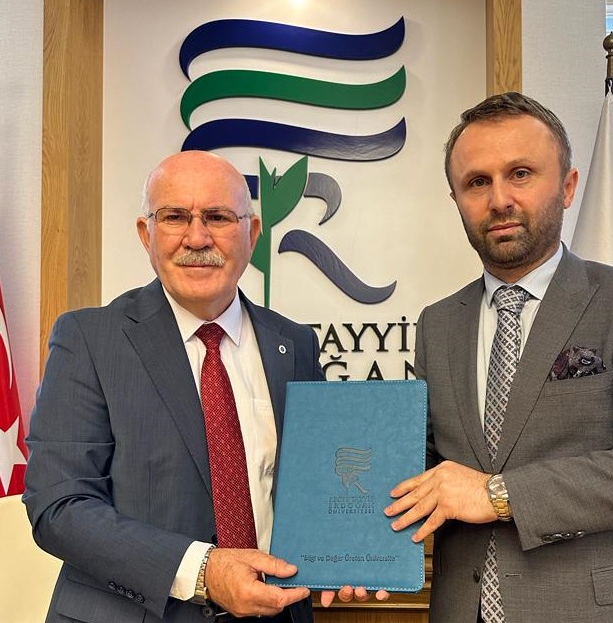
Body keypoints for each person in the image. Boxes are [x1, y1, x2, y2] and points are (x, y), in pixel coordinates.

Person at [385, 92, 613, 622]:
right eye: (477, 182)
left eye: (520, 174)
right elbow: (422, 467)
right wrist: (353, 547)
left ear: (567, 186)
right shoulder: (438, 324)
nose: (499, 199)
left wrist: (498, 494)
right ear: (456, 199)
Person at [24, 150, 379, 623]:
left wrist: (350, 550)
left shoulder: (294, 344)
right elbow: (59, 506)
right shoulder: (89, 339)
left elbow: (317, 483)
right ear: (146, 233)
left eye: (218, 217)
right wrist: (204, 571)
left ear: (252, 234)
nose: (197, 238)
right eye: (175, 217)